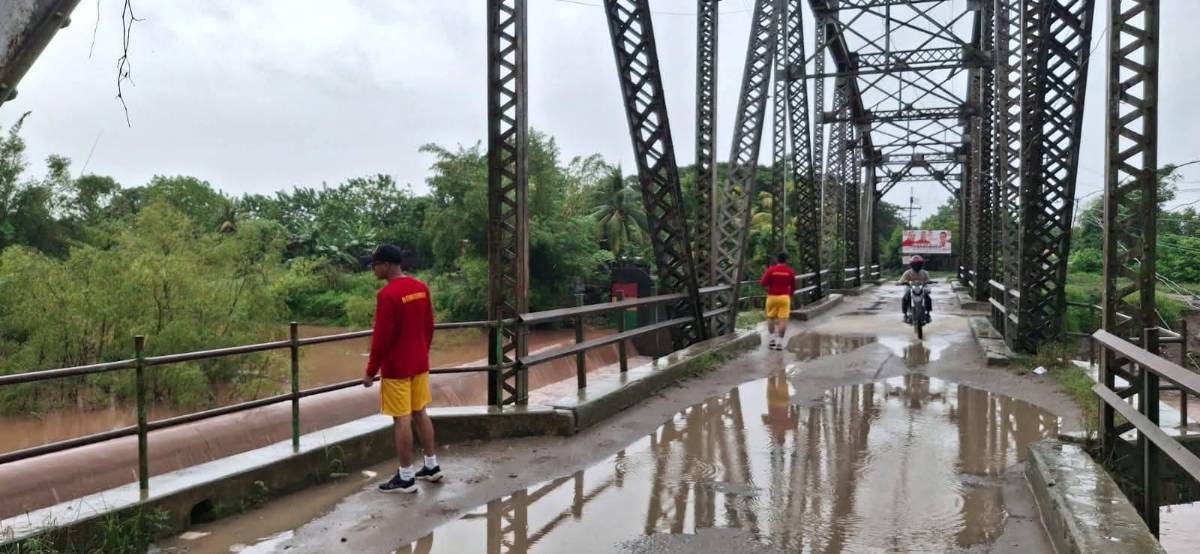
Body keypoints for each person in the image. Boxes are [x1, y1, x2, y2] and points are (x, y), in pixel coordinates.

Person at [360, 244, 443, 493]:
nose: (373, 269)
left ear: (386, 265)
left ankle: (406, 477)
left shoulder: (387, 295)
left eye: (374, 265)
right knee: (421, 412)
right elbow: (429, 326)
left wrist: (370, 370)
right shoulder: (420, 288)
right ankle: (431, 466)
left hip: (397, 368)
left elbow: (382, 337)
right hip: (419, 363)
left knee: (401, 420)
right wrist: (421, 351)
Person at [759, 252, 796, 350]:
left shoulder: (771, 270)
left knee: (770, 318)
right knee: (783, 321)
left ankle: (772, 341)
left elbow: (763, 283)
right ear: (786, 260)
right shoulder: (790, 271)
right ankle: (779, 343)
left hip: (772, 297)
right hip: (784, 298)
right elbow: (793, 286)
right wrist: (790, 296)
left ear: (777, 260)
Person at [898, 254, 932, 324]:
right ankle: (905, 314)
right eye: (915, 264)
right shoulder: (907, 273)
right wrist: (900, 282)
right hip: (910, 288)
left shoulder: (925, 273)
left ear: (921, 265)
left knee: (928, 298)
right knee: (905, 298)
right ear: (911, 265)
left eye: (918, 264)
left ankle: (928, 314)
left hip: (922, 288)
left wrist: (929, 282)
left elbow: (928, 280)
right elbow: (901, 280)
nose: (916, 266)